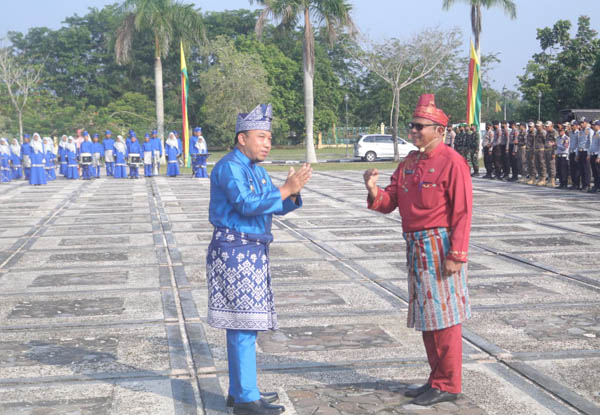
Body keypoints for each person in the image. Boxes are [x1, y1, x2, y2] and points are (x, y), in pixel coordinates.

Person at [364, 94, 471, 406]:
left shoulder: (452, 162)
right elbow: (389, 201)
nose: (413, 131)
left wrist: (457, 254)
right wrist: (373, 190)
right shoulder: (410, 162)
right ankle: (436, 378)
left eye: (419, 127)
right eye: (411, 126)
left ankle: (449, 383)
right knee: (427, 317)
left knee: (446, 318)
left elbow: (463, 212)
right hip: (415, 247)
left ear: (439, 130)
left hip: (440, 246)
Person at [207, 103, 311, 415]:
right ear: (242, 138)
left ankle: (242, 390)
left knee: (245, 325)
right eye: (261, 136)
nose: (267, 143)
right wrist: (284, 188)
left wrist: (291, 193)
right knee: (242, 324)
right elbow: (247, 205)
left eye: (269, 137)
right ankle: (245, 398)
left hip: (252, 253)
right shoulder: (230, 167)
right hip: (235, 253)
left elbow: (272, 207)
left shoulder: (256, 169)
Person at [578, 119, 593, 192]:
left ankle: (587, 185)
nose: (581, 124)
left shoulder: (589, 131)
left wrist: (589, 153)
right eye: (580, 123)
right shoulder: (581, 131)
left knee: (587, 169)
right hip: (581, 151)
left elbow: (590, 142)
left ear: (586, 123)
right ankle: (583, 185)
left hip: (586, 151)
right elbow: (579, 142)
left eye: (582, 122)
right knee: (582, 169)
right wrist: (577, 153)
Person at [556, 124, 570, 189]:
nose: (559, 132)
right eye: (559, 131)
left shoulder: (566, 138)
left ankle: (565, 183)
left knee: (564, 170)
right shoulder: (558, 138)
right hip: (558, 155)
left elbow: (565, 147)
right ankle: (561, 183)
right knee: (559, 170)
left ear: (564, 131)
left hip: (564, 156)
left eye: (561, 131)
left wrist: (557, 145)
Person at [544, 121, 558, 187]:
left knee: (552, 166)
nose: (546, 128)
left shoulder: (554, 132)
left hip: (551, 151)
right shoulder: (547, 132)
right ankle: (549, 179)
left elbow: (556, 143)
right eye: (546, 127)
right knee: (548, 165)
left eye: (547, 127)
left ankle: (552, 180)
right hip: (547, 151)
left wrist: (554, 153)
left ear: (551, 126)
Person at [533, 121, 547, 186]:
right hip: (536, 150)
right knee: (537, 164)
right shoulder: (536, 132)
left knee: (542, 165)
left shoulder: (543, 132)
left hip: (541, 150)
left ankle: (543, 179)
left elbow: (545, 142)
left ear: (541, 126)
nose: (537, 127)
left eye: (538, 126)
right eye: (536, 126)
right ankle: (539, 177)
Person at [568, 121, 581, 190]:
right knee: (572, 169)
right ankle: (573, 183)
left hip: (576, 152)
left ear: (576, 125)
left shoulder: (578, 133)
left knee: (576, 169)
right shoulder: (570, 133)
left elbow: (578, 144)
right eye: (571, 125)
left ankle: (577, 184)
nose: (571, 126)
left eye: (573, 125)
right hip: (571, 152)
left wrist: (576, 154)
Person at [589, 120, 600, 193]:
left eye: (595, 125)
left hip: (597, 155)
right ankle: (596, 186)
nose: (593, 126)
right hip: (593, 154)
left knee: (598, 172)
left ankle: (598, 186)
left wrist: (599, 157)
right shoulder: (594, 133)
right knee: (595, 172)